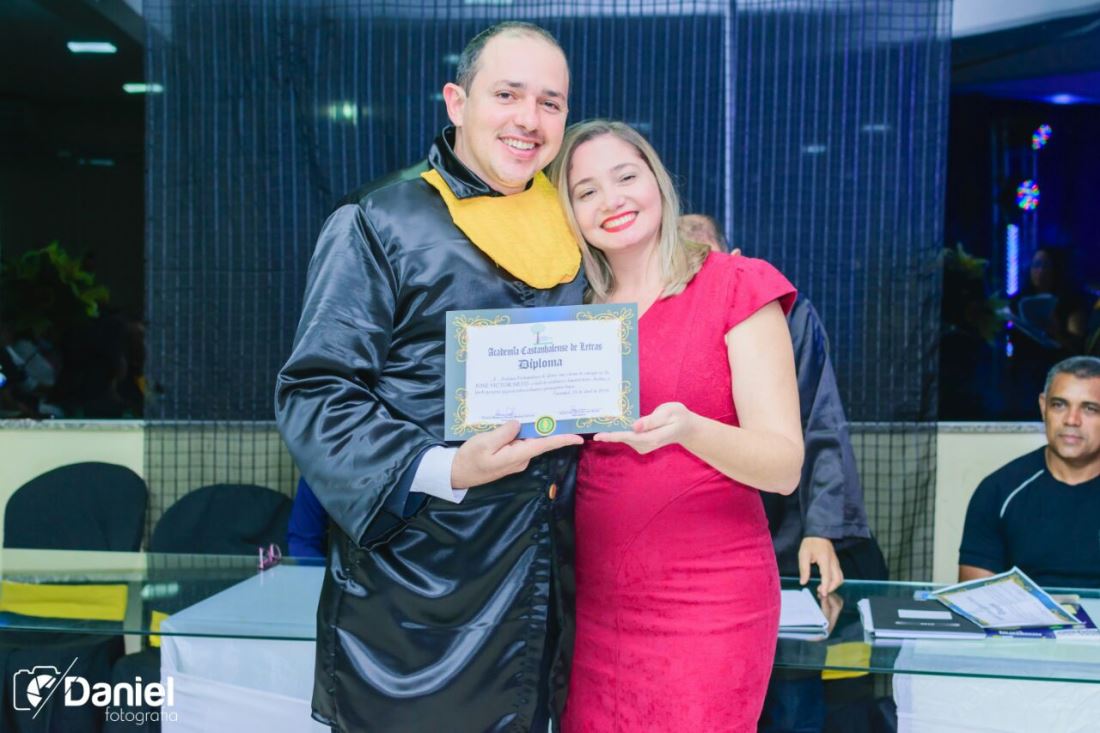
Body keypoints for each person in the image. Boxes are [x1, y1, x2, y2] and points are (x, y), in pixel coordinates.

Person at [275, 23, 585, 732]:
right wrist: (446, 467)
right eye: (507, 94)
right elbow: (317, 392)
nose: (529, 119)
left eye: (550, 102)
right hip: (417, 598)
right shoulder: (379, 219)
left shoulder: (572, 224)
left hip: (548, 595)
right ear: (457, 101)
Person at [550, 120, 804, 731]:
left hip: (709, 603)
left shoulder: (736, 285)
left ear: (658, 182)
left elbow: (785, 467)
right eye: (586, 191)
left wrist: (691, 429)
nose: (611, 200)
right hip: (593, 607)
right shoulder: (567, 311)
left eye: (625, 177)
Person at [679, 214, 884, 733]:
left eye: (707, 263)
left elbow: (821, 422)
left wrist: (822, 529)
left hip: (782, 531)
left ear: (735, 262)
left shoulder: (779, 314)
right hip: (692, 544)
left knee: (790, 695)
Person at [959, 355, 1100, 588]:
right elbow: (975, 597)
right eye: (1059, 405)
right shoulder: (998, 491)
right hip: (1021, 613)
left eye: (1090, 408)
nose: (1071, 420)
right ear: (1043, 407)